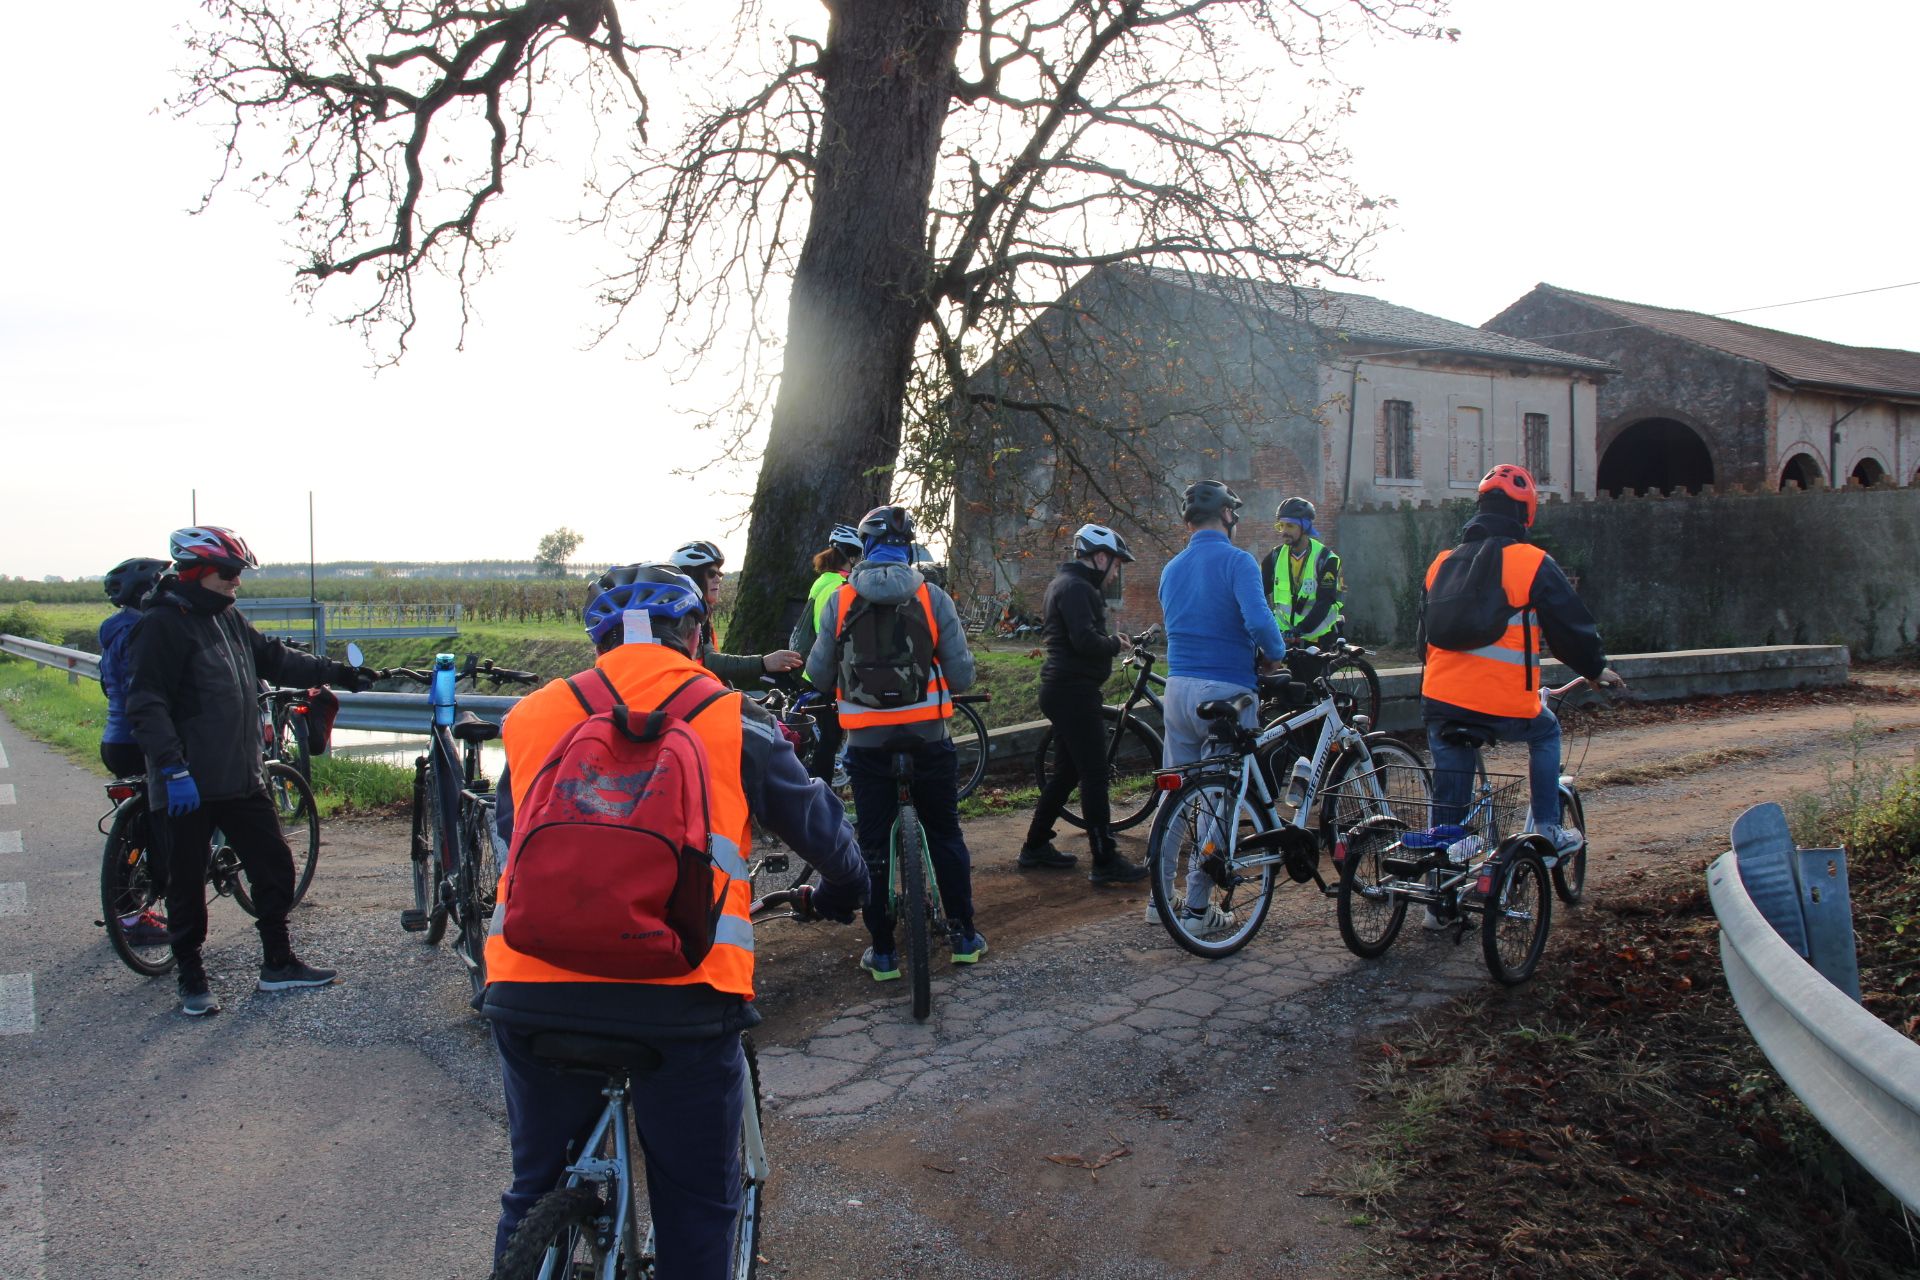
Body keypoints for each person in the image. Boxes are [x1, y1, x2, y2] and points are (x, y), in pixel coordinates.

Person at [484, 564, 867, 1275]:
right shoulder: (735, 718)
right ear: (698, 638)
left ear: (598, 642)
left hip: (529, 986)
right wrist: (851, 887)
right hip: (682, 997)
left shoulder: (535, 716)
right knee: (696, 1202)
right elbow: (820, 832)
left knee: (533, 1185)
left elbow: (510, 836)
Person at [126, 527, 381, 1017]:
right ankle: (191, 976)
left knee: (274, 866)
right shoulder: (162, 625)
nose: (236, 582)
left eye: (239, 573)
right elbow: (146, 702)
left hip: (241, 773)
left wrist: (336, 672)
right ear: (197, 572)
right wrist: (172, 769)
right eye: (229, 573)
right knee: (184, 882)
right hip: (187, 781)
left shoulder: (226, 617)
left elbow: (275, 660)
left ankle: (278, 964)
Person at [803, 504, 987, 977]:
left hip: (866, 743)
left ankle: (883, 952)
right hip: (928, 738)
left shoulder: (840, 600)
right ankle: (964, 935)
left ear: (865, 547)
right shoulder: (933, 597)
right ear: (907, 548)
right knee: (945, 833)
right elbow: (963, 674)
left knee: (873, 843)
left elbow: (818, 674)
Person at [1420, 464, 1625, 868]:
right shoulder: (1532, 562)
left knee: (1451, 797)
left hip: (1439, 700)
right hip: (1504, 704)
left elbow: (1422, 638)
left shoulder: (1440, 563)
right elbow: (1570, 628)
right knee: (1546, 730)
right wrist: (1596, 669)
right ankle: (1548, 827)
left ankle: (1439, 890)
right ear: (1525, 512)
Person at [1155, 480, 1289, 928]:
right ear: (1228, 515)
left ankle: (1159, 899)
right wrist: (1275, 655)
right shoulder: (1238, 561)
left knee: (1174, 796)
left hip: (1176, 690)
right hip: (1224, 693)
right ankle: (1196, 907)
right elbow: (1259, 622)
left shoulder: (1171, 568)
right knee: (1221, 801)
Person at [1019, 523, 1151, 885]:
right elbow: (1084, 641)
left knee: (1066, 772)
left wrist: (1106, 642)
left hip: (1064, 689)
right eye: (1117, 565)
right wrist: (1113, 643)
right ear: (1101, 558)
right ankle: (1105, 859)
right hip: (1073, 691)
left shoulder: (1066, 584)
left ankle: (1035, 845)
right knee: (1094, 775)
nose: (1116, 573)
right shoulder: (1079, 589)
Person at [99, 556, 172, 947]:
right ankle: (133, 917)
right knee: (154, 831)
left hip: (115, 738)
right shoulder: (144, 629)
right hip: (143, 738)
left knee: (132, 834)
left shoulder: (112, 629)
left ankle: (124, 911)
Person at [668, 540, 804, 686]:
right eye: (712, 573)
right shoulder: (681, 616)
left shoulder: (698, 614)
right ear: (691, 576)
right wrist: (764, 663)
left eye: (720, 574)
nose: (718, 580)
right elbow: (710, 662)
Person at [786, 523, 863, 780]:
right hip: (824, 673)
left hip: (813, 668)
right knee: (828, 744)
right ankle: (824, 800)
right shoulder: (835, 587)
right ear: (851, 558)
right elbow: (827, 631)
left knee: (826, 741)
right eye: (858, 558)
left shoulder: (824, 581)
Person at [98, 557, 169, 778]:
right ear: (143, 591)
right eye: (158, 584)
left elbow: (106, 683)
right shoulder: (138, 632)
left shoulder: (115, 627)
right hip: (139, 741)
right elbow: (142, 688)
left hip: (114, 738)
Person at [1259, 497, 1344, 648]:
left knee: (1308, 672)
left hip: (1316, 636)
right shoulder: (1275, 556)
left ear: (1305, 527)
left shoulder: (1325, 559)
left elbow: (1324, 602)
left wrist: (1300, 630)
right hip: (1285, 636)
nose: (1284, 531)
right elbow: (1257, 591)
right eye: (1281, 526)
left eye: (1290, 526)